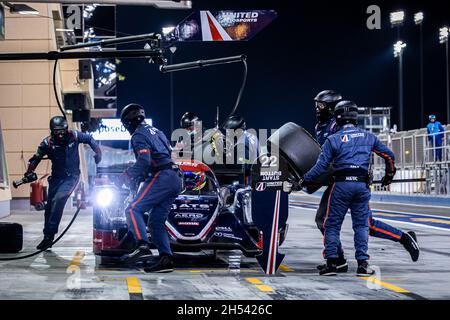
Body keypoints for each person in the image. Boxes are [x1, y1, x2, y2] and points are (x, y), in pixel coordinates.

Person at [311, 91, 419, 274]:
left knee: (358, 224)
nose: (316, 109)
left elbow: (348, 153)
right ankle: (339, 260)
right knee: (333, 221)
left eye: (320, 105)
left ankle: (403, 238)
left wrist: (307, 178)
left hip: (347, 180)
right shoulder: (321, 126)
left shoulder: (338, 127)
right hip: (337, 180)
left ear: (332, 110)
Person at [117, 103, 182, 273]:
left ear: (129, 122)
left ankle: (142, 245)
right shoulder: (157, 131)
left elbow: (144, 161)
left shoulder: (138, 134)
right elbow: (165, 154)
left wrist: (126, 175)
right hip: (175, 178)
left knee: (132, 209)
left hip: (163, 177)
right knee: (156, 221)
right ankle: (166, 259)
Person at [25, 116, 102, 250]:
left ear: (66, 129)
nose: (60, 134)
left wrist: (98, 152)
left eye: (62, 131)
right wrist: (29, 171)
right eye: (57, 132)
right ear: (52, 131)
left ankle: (50, 233)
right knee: (49, 207)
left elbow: (89, 139)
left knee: (58, 199)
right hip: (56, 178)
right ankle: (47, 237)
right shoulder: (47, 143)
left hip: (72, 177)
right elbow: (36, 158)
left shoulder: (75, 135)